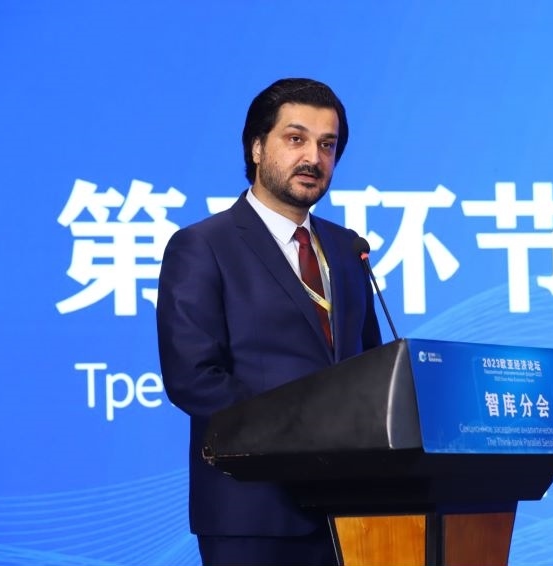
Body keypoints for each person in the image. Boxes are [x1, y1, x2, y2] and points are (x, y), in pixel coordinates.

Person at [156, 78, 383, 566]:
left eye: (328, 145)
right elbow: (193, 379)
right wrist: (304, 434)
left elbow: (372, 370)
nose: (313, 158)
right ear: (257, 148)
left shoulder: (347, 248)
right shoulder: (204, 246)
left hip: (352, 513)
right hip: (252, 512)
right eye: (295, 139)